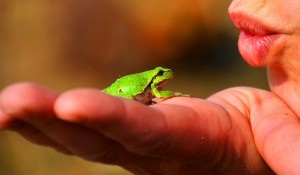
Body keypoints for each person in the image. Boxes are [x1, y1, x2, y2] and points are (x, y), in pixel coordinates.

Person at [1, 0, 299, 174]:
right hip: (125, 94)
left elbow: (158, 94)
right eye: (162, 74)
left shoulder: (157, 85)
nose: (237, 3)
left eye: (163, 74)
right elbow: (156, 95)